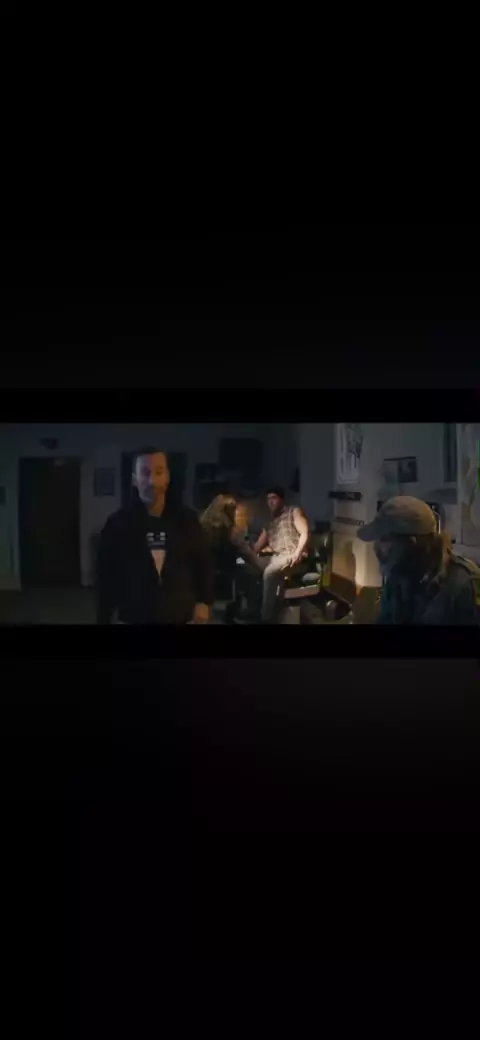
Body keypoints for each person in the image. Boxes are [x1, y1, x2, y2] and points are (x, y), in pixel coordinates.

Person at [96, 450, 215, 624]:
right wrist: (104, 618)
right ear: (135, 479)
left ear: (167, 477)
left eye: (159, 472)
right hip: (133, 617)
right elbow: (105, 576)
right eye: (145, 473)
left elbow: (204, 563)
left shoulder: (187, 519)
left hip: (181, 615)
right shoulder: (117, 524)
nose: (152, 481)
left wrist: (204, 601)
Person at [357, 496, 480, 625]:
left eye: (384, 539)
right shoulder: (398, 575)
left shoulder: (466, 584)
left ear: (411, 543)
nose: (376, 548)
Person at [251, 486, 310, 623]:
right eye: (268, 499)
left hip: (292, 555)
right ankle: (252, 608)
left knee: (269, 572)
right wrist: (245, 551)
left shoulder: (293, 511)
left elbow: (305, 532)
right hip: (276, 556)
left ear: (282, 499)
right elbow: (258, 545)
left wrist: (298, 553)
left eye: (274, 498)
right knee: (249, 566)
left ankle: (265, 618)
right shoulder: (269, 521)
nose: (270, 502)